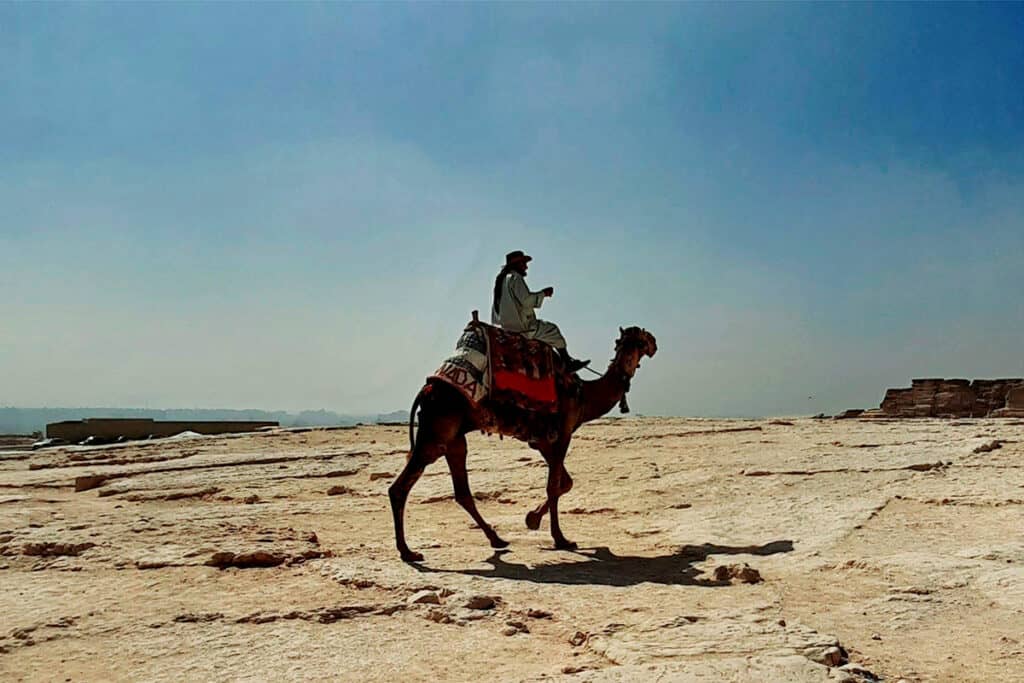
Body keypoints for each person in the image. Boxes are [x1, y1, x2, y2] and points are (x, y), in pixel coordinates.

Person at [491, 250, 590, 372]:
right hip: (523, 328)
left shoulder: (502, 281)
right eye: (523, 263)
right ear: (516, 264)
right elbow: (526, 301)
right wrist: (543, 293)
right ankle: (567, 362)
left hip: (507, 328)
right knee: (553, 330)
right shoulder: (515, 278)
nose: (526, 266)